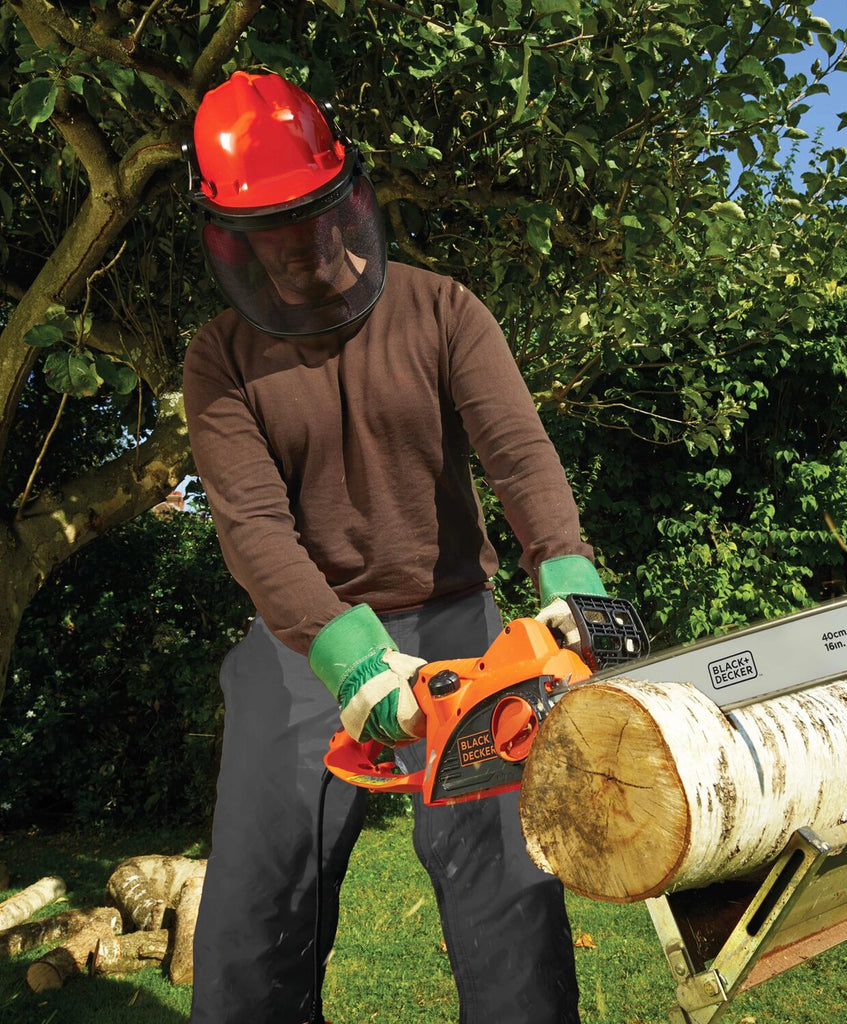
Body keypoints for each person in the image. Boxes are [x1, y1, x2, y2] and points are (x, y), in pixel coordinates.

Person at [181, 70, 610, 1024]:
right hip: (305, 639)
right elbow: (253, 530)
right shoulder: (220, 360)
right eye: (269, 228)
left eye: (311, 212)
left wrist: (569, 574)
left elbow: (519, 454)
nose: (298, 240)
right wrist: (348, 654)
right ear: (231, 239)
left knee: (507, 886)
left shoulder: (441, 309)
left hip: (458, 618)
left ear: (347, 199)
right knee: (257, 904)